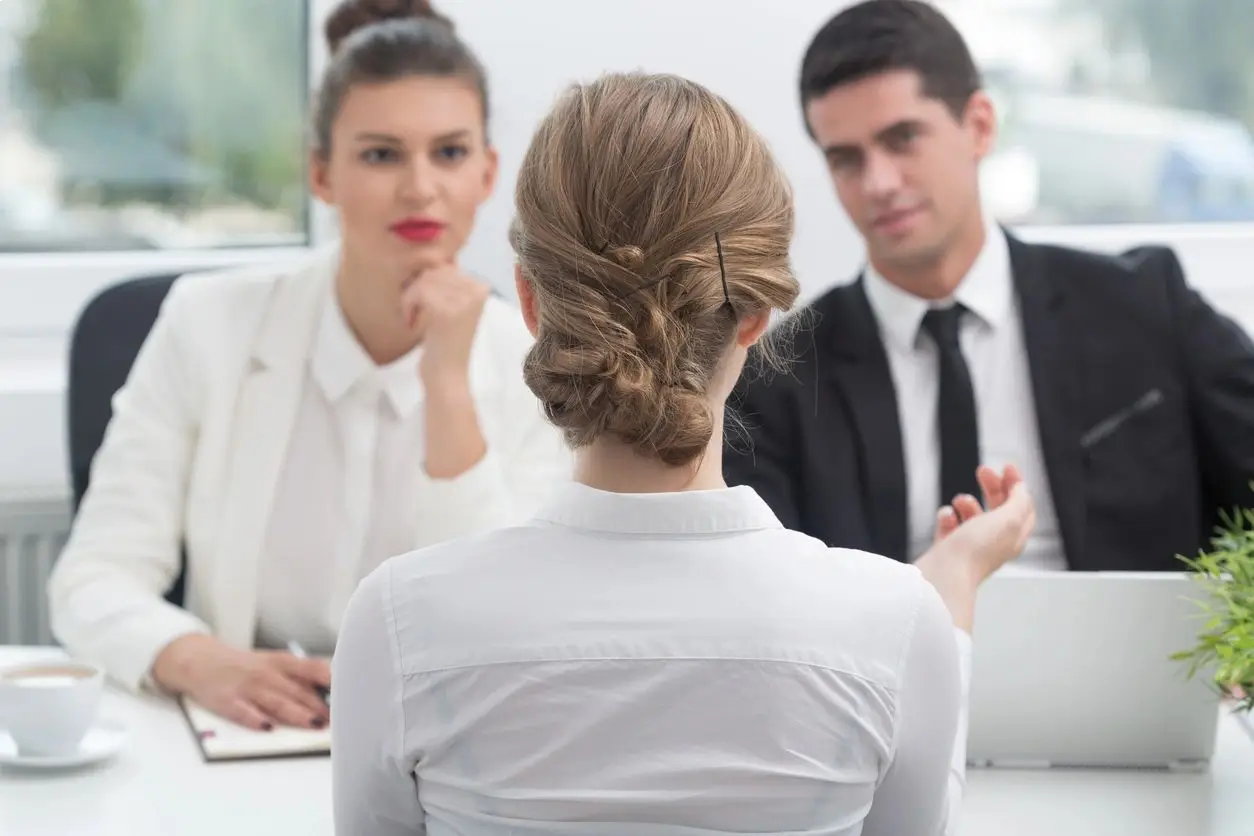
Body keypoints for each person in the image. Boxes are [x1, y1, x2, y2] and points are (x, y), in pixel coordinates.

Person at [330, 70, 1036, 836]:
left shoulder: (398, 622)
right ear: (757, 313)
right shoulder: (894, 624)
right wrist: (948, 591)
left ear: (529, 300)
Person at [48, 0, 569, 732]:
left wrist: (446, 386)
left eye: (449, 153)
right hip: (246, 737)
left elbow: (501, 626)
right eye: (381, 154)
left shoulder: (530, 361)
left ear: (488, 174)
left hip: (437, 746)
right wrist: (201, 660)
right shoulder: (209, 325)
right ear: (322, 174)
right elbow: (92, 578)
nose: (420, 187)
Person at [725, 0, 1254, 571]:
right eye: (847, 159)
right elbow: (765, 600)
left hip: (1132, 657)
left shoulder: (1147, 306)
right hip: (890, 654)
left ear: (979, 125)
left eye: (903, 139)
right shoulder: (778, 378)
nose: (878, 182)